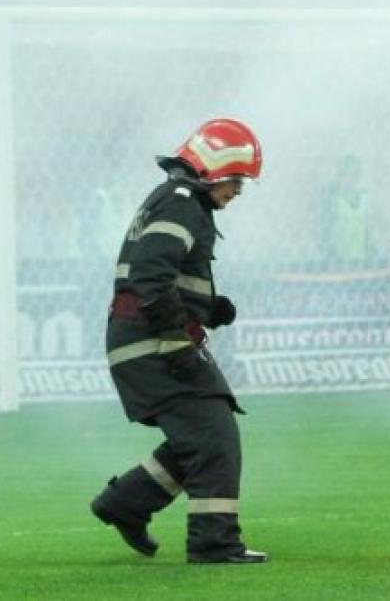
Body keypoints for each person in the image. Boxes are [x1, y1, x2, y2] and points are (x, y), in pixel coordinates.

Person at [90, 118, 267, 565]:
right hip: (151, 343)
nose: (238, 193)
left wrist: (209, 308)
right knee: (214, 435)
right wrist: (176, 344)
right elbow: (149, 276)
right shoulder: (183, 204)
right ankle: (213, 543)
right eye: (235, 181)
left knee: (199, 436)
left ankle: (127, 503)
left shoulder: (174, 201)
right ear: (213, 170)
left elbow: (162, 276)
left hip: (139, 338)